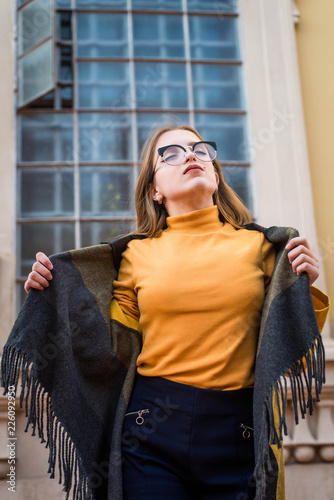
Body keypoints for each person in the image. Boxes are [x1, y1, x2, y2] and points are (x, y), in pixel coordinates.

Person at [10, 124, 330, 500]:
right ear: (154, 190)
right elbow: (107, 350)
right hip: (150, 434)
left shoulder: (264, 247)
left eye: (199, 149)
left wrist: (302, 288)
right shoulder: (133, 256)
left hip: (240, 433)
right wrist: (53, 297)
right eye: (172, 153)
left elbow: (286, 342)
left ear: (215, 174)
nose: (191, 156)